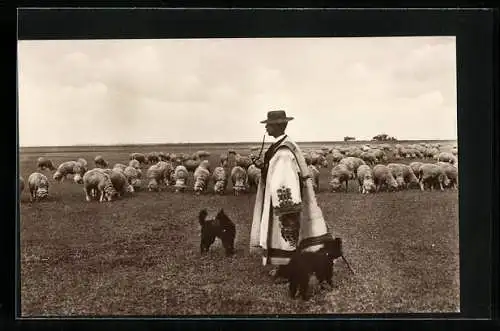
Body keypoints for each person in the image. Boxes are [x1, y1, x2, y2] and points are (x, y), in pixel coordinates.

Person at [249, 110, 334, 280]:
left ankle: (289, 271)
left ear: (278, 126)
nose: (266, 127)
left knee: (286, 236)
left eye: (269, 124)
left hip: (283, 201)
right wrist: (263, 167)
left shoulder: (284, 152)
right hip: (279, 199)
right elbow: (275, 172)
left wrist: (286, 207)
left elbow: (286, 178)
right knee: (283, 237)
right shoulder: (281, 146)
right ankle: (285, 268)